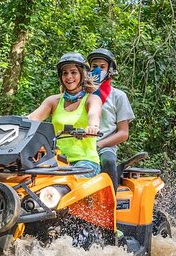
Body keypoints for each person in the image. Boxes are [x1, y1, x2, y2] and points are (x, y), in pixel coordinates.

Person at [28, 53, 102, 177]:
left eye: (73, 72)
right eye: (65, 73)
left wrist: (93, 126)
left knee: (66, 183)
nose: (69, 77)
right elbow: (31, 118)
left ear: (82, 75)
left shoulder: (92, 99)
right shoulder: (53, 101)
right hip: (56, 161)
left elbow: (93, 114)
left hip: (85, 162)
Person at [87, 48, 134, 188]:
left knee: (107, 161)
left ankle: (110, 203)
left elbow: (123, 133)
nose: (97, 70)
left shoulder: (118, 96)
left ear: (110, 70)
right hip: (80, 145)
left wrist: (99, 145)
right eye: (94, 66)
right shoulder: (80, 95)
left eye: (102, 67)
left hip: (105, 146)